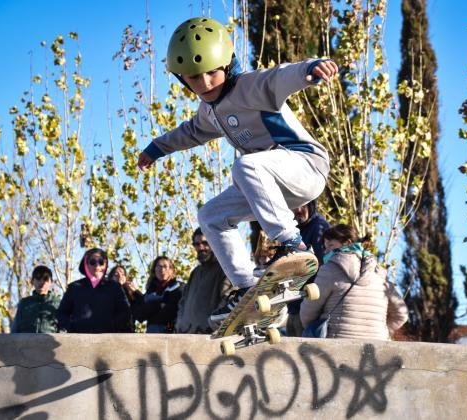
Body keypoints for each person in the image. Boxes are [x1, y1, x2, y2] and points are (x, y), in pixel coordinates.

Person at [137, 17, 338, 326]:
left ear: (227, 65)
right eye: (193, 77)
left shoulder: (252, 86)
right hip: (269, 184)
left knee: (245, 165)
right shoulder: (209, 112)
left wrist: (313, 68)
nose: (204, 85)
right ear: (181, 77)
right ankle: (248, 288)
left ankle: (291, 245)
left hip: (305, 165)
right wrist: (156, 148)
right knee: (211, 216)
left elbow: (282, 76)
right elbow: (189, 132)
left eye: (211, 74)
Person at [299, 224, 409, 340]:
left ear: (347, 242)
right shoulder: (380, 274)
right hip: (375, 349)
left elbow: (308, 311)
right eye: (325, 247)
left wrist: (316, 330)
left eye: (330, 245)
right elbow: (401, 314)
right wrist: (383, 333)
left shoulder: (330, 269)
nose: (326, 251)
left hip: (335, 347)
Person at [56, 248, 133, 333]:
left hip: (108, 340)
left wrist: (112, 327)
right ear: (86, 264)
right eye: (93, 262)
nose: (97, 266)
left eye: (101, 262)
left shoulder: (115, 287)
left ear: (105, 265)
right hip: (79, 341)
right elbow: (61, 313)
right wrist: (73, 327)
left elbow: (125, 312)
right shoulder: (74, 287)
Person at [285, 201, 331, 337]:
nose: (298, 209)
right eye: (294, 205)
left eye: (303, 205)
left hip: (307, 308)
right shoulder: (292, 230)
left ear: (311, 206)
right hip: (292, 306)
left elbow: (324, 268)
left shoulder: (319, 228)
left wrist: (312, 306)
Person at [175, 228, 232, 334]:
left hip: (209, 336)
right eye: (197, 244)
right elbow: (183, 302)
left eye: (205, 243)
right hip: (187, 334)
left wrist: (213, 325)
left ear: (214, 242)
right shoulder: (195, 272)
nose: (201, 247)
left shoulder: (224, 268)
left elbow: (228, 301)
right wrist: (180, 324)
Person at [131, 256, 185, 333]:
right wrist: (159, 305)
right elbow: (139, 315)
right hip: (151, 335)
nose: (162, 269)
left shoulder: (178, 287)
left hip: (171, 335)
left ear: (171, 270)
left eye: (165, 266)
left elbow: (171, 312)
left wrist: (150, 317)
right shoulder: (150, 291)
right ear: (154, 270)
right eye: (158, 266)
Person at [11, 265, 61, 333]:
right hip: (26, 342)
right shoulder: (24, 303)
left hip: (49, 342)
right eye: (38, 278)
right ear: (32, 281)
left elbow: (63, 329)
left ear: (51, 282)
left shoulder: (59, 303)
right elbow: (15, 329)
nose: (41, 282)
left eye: (45, 279)